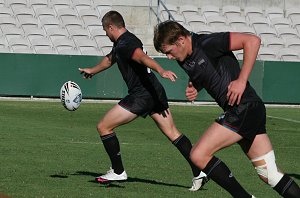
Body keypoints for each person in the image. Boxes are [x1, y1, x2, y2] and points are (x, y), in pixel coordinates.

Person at [153, 20, 300, 198]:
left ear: (181, 40)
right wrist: (195, 86)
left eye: (169, 51)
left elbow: (252, 41)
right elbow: (208, 71)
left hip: (243, 107)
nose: (169, 57)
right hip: (247, 111)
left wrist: (241, 80)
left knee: (198, 154)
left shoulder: (208, 43)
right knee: (269, 174)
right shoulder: (184, 59)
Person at [78, 11, 208, 191]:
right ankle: (199, 171)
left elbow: (142, 57)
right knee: (173, 133)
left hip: (141, 95)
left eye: (105, 30)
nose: (105, 34)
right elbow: (110, 60)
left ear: (111, 27)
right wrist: (92, 70)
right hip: (154, 92)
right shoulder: (123, 42)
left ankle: (118, 171)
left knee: (103, 126)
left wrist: (161, 70)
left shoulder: (126, 44)